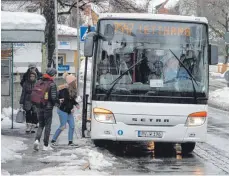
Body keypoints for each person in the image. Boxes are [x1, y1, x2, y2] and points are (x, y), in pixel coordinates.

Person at [51, 72, 79, 147]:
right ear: (71, 82)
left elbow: (71, 100)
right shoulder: (64, 90)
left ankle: (70, 142)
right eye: (74, 81)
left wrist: (76, 104)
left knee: (72, 126)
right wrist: (70, 108)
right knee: (62, 126)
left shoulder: (72, 89)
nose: (76, 82)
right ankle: (53, 141)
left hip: (68, 111)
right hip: (63, 110)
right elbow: (65, 102)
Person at [33, 68, 58, 151]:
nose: (55, 76)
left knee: (41, 125)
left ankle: (37, 140)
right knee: (47, 126)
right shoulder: (52, 84)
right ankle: (46, 145)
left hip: (39, 106)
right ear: (52, 75)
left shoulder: (39, 81)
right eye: (55, 75)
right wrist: (58, 103)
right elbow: (53, 98)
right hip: (48, 108)